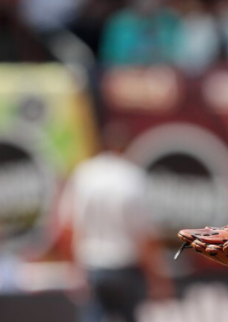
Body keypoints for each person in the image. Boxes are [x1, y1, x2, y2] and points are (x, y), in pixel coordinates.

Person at [59, 123, 174, 322]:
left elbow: (68, 226)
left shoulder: (85, 174)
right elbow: (144, 235)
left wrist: (73, 267)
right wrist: (158, 277)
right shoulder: (132, 178)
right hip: (125, 269)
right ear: (126, 147)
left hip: (92, 266)